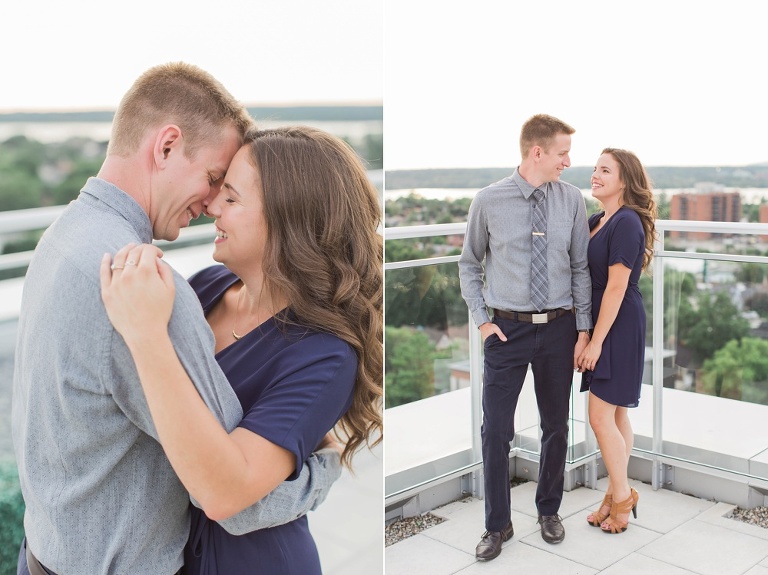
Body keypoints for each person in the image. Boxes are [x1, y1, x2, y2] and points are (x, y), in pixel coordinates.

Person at [12, 63, 341, 575]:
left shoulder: (61, 239)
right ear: (166, 146)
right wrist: (320, 469)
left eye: (230, 193)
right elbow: (235, 494)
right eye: (215, 180)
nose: (210, 204)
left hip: (42, 554)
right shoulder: (142, 287)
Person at [99, 125, 383, 574]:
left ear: (291, 220)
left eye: (231, 198)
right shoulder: (206, 288)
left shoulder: (325, 356)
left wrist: (147, 335)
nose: (211, 205)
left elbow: (224, 494)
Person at [458, 113, 592, 561]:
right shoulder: (489, 201)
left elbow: (579, 268)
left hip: (559, 330)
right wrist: (482, 320)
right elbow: (468, 264)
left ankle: (548, 511)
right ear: (538, 152)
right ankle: (497, 525)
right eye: (562, 153)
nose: (568, 162)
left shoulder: (572, 200)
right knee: (495, 430)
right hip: (506, 331)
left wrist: (582, 329)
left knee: (557, 425)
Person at [579, 148, 657, 534]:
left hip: (618, 325)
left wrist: (595, 342)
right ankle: (614, 493)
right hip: (603, 324)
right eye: (595, 169)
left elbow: (615, 287)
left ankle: (622, 496)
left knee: (599, 417)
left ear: (624, 180)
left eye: (605, 170)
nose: (595, 175)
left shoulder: (626, 222)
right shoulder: (598, 219)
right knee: (617, 415)